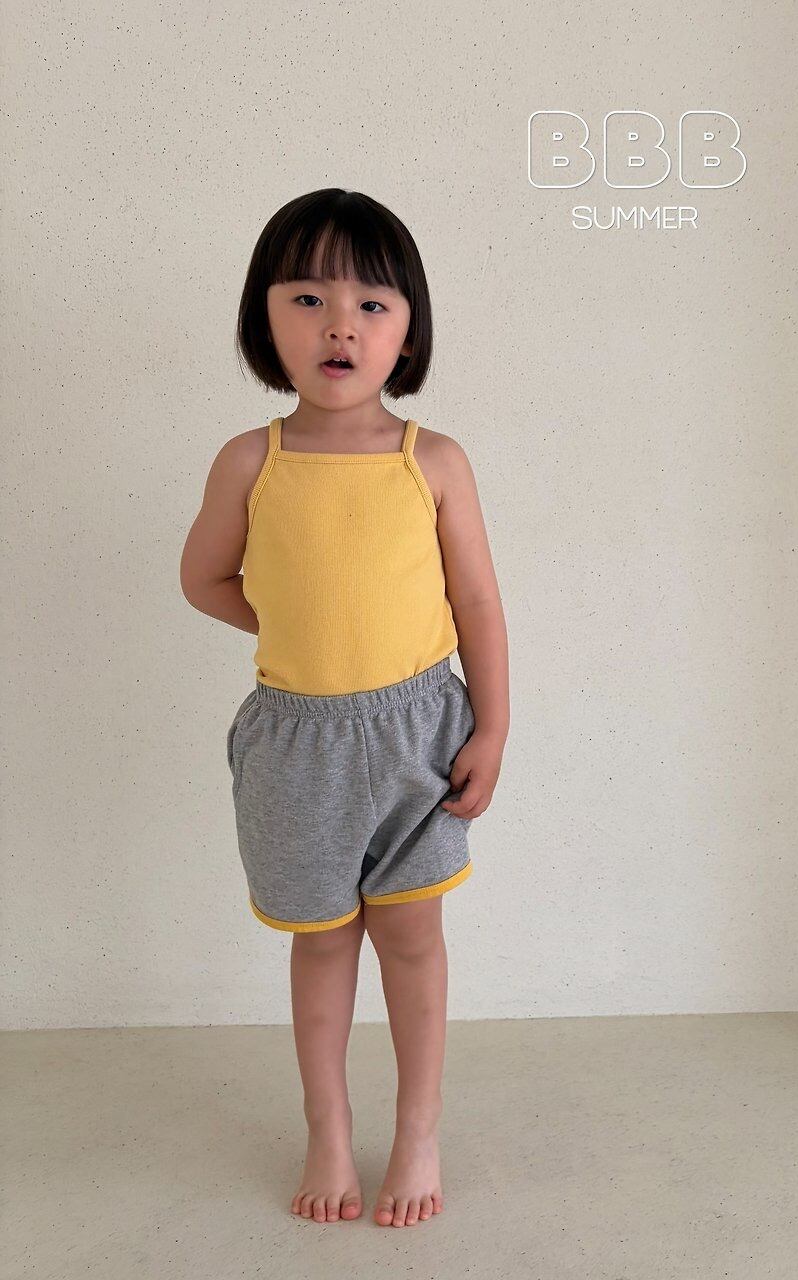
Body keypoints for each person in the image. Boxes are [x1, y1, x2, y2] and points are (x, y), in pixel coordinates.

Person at [179, 188, 509, 1229]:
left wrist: (493, 728)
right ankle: (327, 1126)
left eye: (371, 303)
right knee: (321, 940)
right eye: (309, 298)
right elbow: (205, 578)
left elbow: (477, 603)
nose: (340, 325)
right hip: (296, 748)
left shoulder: (433, 461)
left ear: (408, 329)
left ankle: (419, 1127)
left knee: (411, 936)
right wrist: (298, 632)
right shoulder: (252, 460)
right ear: (265, 318)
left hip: (419, 737)